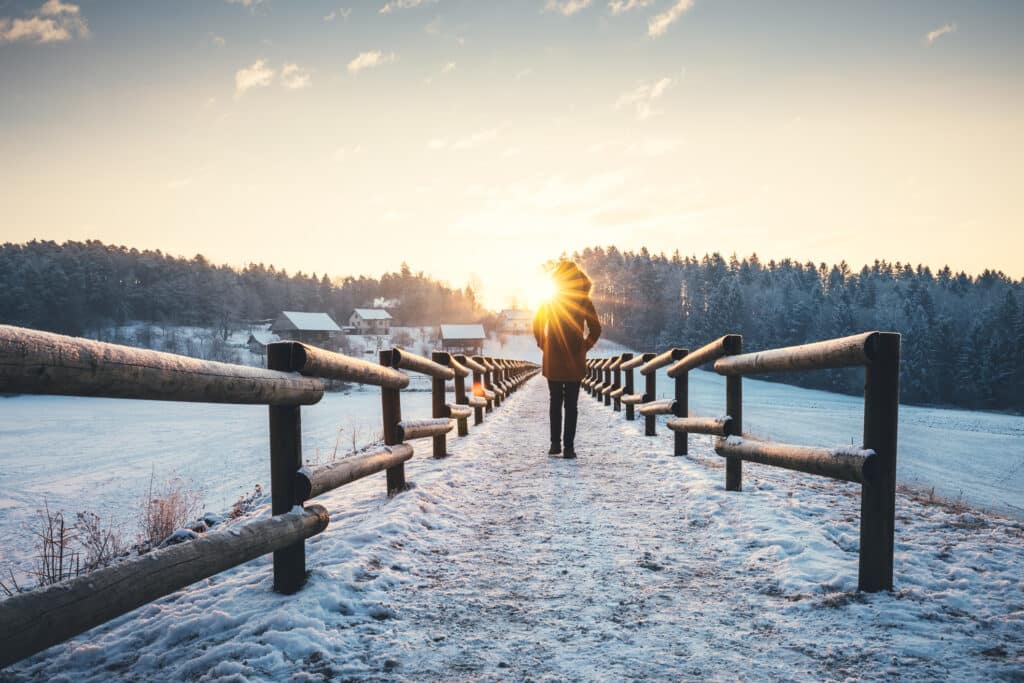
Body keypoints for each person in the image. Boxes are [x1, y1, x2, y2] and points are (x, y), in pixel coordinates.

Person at [532, 260, 602, 459]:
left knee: (555, 402)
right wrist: (584, 347)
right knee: (572, 405)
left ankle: (555, 444)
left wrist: (543, 344)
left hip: (553, 357)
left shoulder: (551, 299)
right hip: (574, 359)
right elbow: (596, 329)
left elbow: (537, 324)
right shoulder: (584, 300)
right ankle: (569, 448)